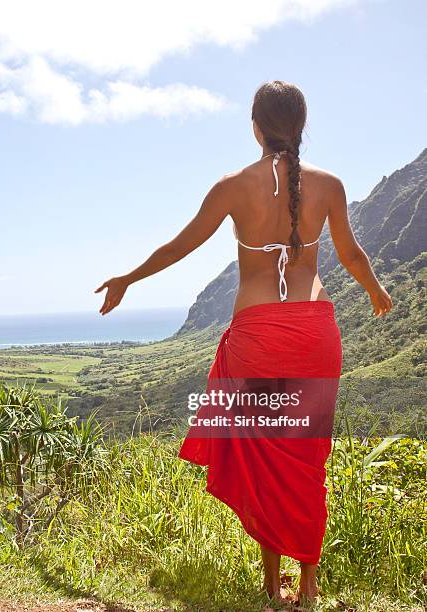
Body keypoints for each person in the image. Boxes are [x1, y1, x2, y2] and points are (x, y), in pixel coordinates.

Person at [95, 80, 392, 606]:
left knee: (265, 457)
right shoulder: (329, 185)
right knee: (305, 458)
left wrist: (128, 279)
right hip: (314, 333)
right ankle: (307, 583)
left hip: (257, 337)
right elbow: (351, 255)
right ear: (300, 128)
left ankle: (270, 583)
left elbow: (180, 246)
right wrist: (375, 292)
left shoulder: (233, 186)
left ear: (255, 126)